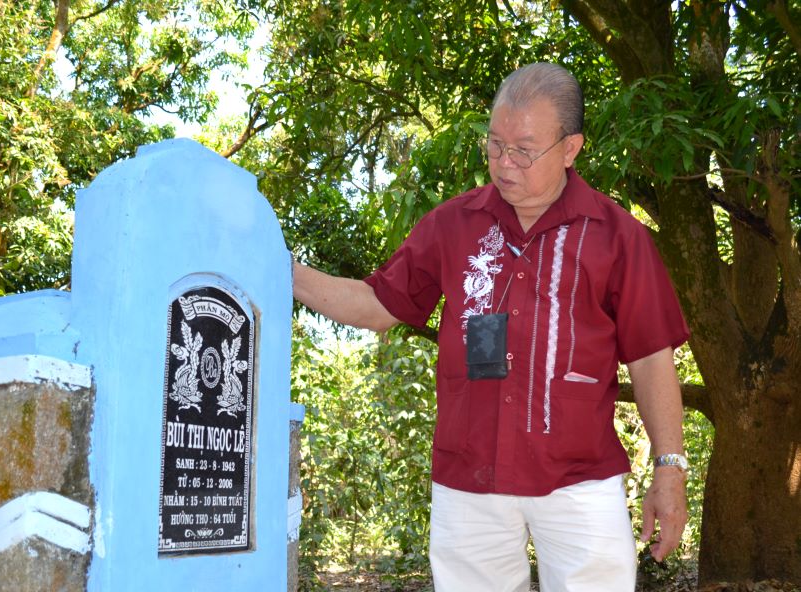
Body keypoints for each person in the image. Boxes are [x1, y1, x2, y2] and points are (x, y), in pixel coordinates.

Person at [292, 62, 690, 591]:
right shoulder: (452, 224)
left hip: (580, 480)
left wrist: (669, 468)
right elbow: (376, 304)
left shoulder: (618, 236)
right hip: (470, 478)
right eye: (495, 145)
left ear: (570, 149)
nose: (504, 164)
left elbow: (649, 356)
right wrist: (280, 270)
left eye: (524, 150)